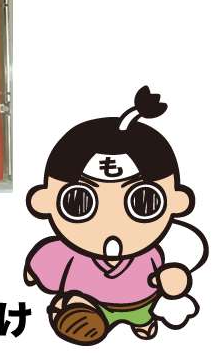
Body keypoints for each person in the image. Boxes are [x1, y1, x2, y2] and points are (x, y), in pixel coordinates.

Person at [24, 86, 208, 345]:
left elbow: (174, 273)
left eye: (144, 202)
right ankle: (81, 313)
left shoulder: (154, 254)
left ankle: (142, 322)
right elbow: (47, 262)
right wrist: (34, 272)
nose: (111, 224)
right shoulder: (69, 253)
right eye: (78, 203)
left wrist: (174, 280)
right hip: (94, 306)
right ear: (45, 201)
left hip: (141, 302)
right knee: (77, 304)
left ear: (177, 202)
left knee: (142, 314)